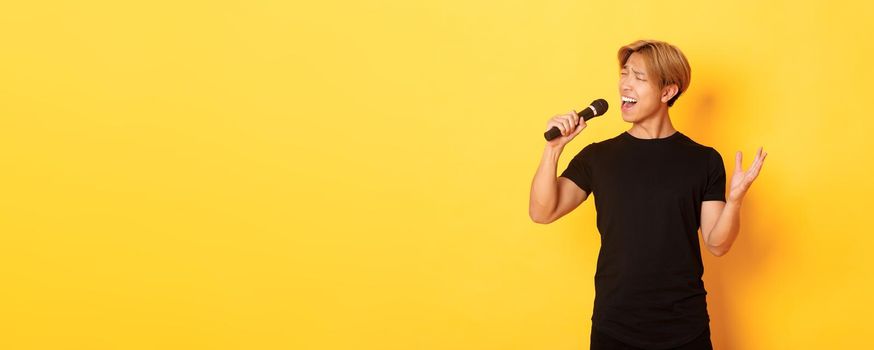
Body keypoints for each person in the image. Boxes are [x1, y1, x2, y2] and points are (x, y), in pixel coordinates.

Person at [528, 39, 768, 350]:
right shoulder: (598, 157)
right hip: (614, 329)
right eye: (624, 73)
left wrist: (734, 201)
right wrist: (553, 150)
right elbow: (542, 211)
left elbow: (717, 243)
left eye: (639, 77)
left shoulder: (704, 160)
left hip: (685, 329)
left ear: (668, 91)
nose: (625, 84)